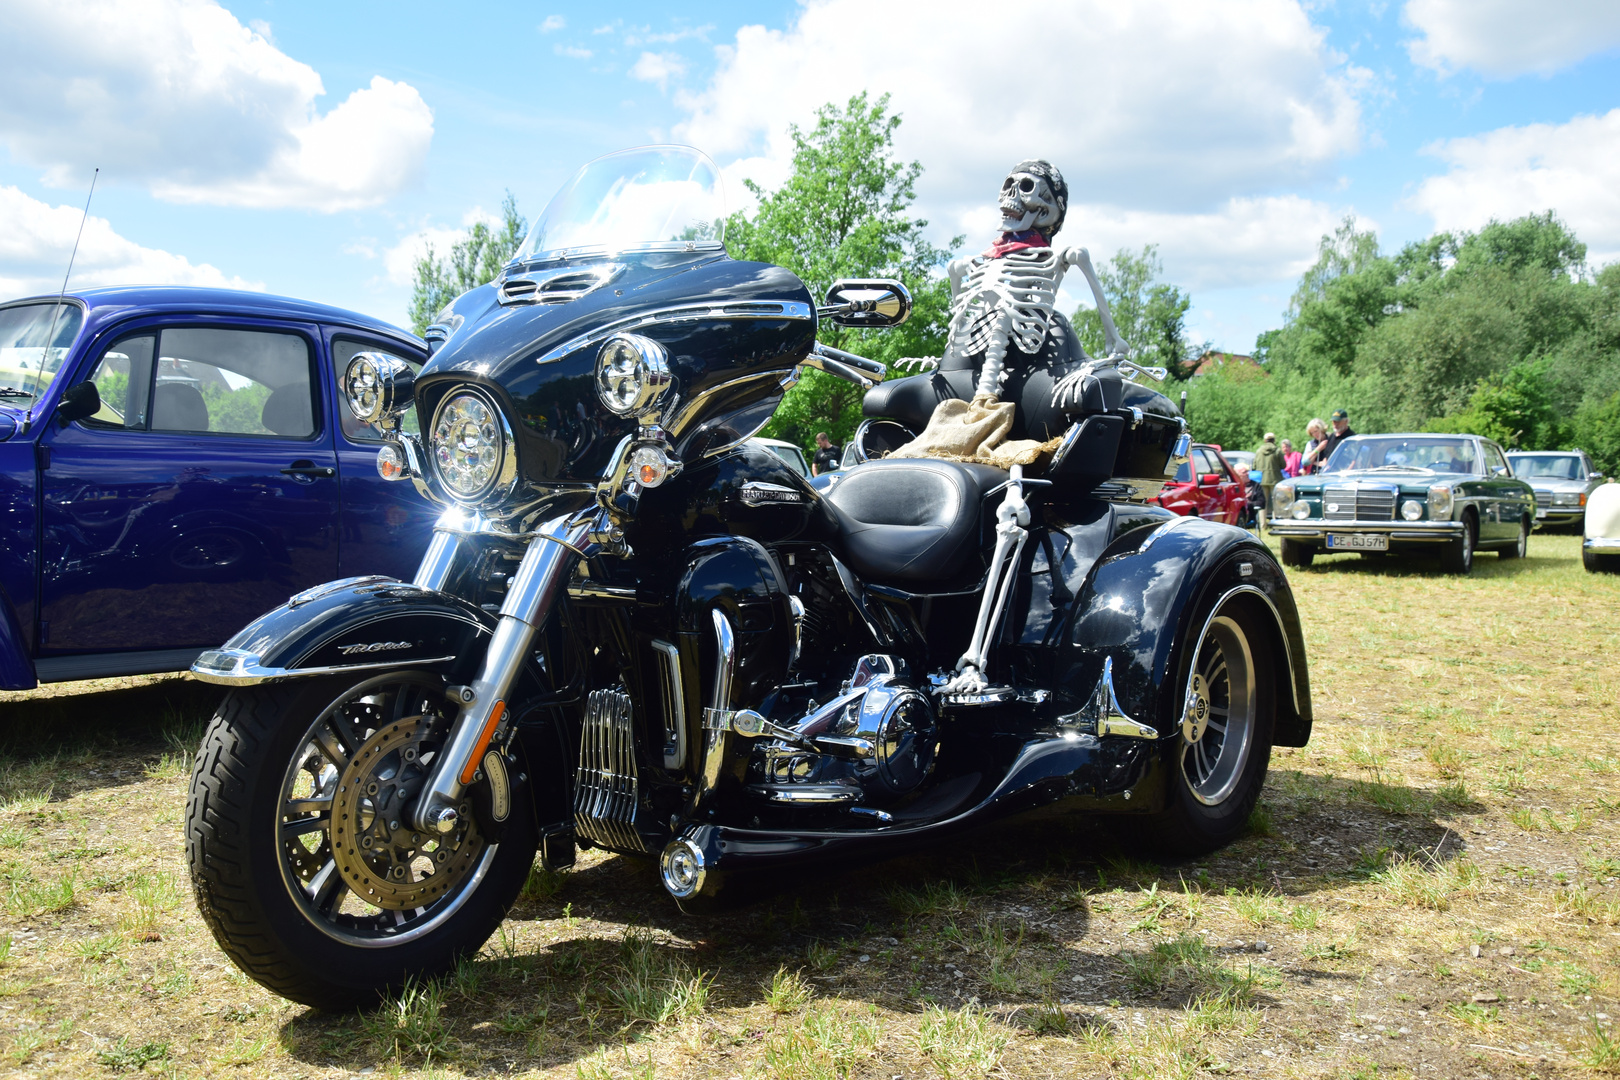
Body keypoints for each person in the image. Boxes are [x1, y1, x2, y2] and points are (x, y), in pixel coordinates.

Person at [1253, 432, 1283, 529]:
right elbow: (1284, 465)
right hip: (1275, 479)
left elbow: (1254, 466)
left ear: (1265, 440)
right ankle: (1275, 523)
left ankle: (1262, 525)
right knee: (1276, 502)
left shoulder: (1258, 451)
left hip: (1261, 479)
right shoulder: (1277, 451)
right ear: (1274, 440)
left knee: (1262, 502)